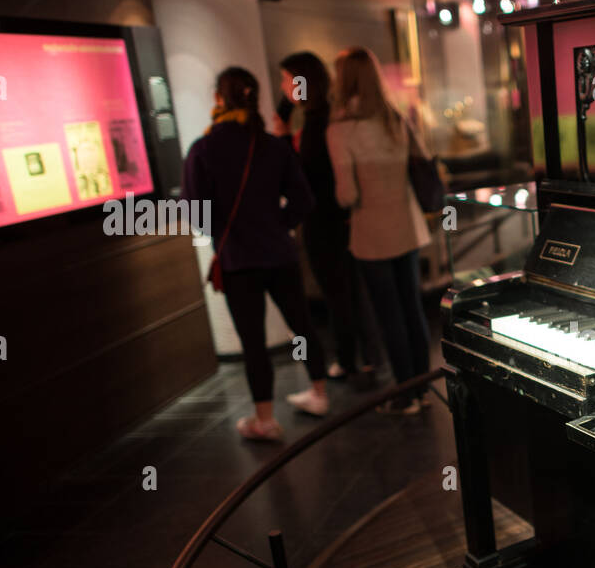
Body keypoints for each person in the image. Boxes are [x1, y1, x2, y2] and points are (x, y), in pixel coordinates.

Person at [182, 66, 330, 440]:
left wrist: (224, 231)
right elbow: (304, 199)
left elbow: (196, 213)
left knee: (253, 341)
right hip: (280, 253)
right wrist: (277, 225)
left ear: (219, 98)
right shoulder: (272, 146)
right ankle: (320, 393)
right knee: (302, 324)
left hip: (237, 260)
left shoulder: (203, 149)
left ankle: (264, 420)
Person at [325, 47, 432, 415]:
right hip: (408, 227)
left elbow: (347, 194)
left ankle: (406, 395)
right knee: (412, 309)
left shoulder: (340, 130)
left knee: (389, 317)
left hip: (372, 234)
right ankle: (422, 386)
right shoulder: (394, 118)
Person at [273, 51, 375, 381]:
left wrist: (285, 136)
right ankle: (368, 359)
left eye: (286, 79)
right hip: (340, 218)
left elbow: (302, 177)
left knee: (338, 293)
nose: (283, 86)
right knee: (350, 291)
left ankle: (349, 362)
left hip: (324, 220)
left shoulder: (319, 122)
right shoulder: (324, 115)